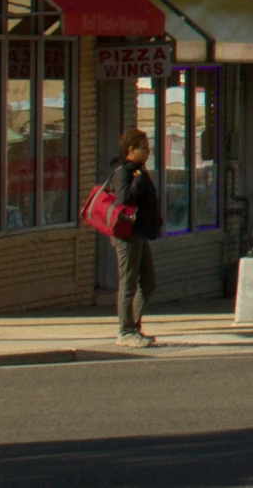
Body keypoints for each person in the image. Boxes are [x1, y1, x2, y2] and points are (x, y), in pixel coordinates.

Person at [107, 128, 163, 347]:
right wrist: (138, 182)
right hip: (127, 235)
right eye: (144, 147)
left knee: (148, 283)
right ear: (131, 150)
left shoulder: (140, 170)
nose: (148, 151)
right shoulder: (123, 171)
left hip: (141, 234)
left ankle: (135, 327)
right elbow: (124, 197)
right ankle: (125, 331)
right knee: (128, 283)